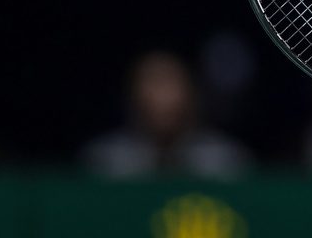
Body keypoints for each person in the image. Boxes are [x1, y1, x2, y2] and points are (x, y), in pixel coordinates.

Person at [82, 50, 252, 179]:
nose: (163, 97)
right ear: (133, 96)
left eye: (170, 83)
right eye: (154, 83)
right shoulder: (104, 163)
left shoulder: (226, 162)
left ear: (191, 94)